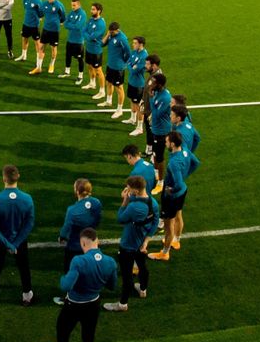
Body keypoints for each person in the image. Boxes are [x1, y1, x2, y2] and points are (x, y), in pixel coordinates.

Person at [54, 228, 117, 342]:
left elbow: (66, 286)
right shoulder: (110, 262)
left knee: (63, 333)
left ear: (83, 243)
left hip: (73, 305)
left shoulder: (78, 261)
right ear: (98, 242)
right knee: (88, 337)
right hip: (93, 305)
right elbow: (112, 286)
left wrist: (63, 278)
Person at [0, 164, 35, 307]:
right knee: (24, 267)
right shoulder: (28, 199)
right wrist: (16, 243)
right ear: (18, 176)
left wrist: (7, 243)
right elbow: (29, 224)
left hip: (0, 241)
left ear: (4, 179)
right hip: (20, 240)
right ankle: (27, 296)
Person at [105, 176, 157, 312]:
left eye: (129, 188)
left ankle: (122, 304)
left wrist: (125, 200)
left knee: (127, 276)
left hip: (128, 244)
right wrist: (146, 241)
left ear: (135, 190)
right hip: (141, 243)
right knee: (142, 266)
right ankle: (143, 289)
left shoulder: (134, 206)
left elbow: (120, 218)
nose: (127, 190)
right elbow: (156, 222)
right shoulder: (153, 202)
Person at [149, 133, 200, 261]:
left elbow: (178, 184)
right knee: (179, 215)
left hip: (172, 197)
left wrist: (171, 190)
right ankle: (177, 240)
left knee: (168, 225)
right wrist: (184, 176)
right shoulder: (185, 150)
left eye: (166, 141)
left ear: (172, 144)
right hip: (183, 192)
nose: (165, 143)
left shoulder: (174, 163)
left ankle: (165, 252)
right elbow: (196, 163)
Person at [57, 179, 102, 286]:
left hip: (75, 246)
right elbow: (98, 219)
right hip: (91, 243)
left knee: (70, 271)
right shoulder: (96, 202)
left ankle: (71, 297)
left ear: (77, 191)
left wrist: (62, 237)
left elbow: (66, 229)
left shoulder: (72, 210)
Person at [101, 22, 132, 119]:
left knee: (119, 88)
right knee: (109, 83)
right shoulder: (110, 35)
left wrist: (123, 63)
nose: (111, 33)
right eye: (110, 31)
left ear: (117, 30)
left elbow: (128, 52)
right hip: (110, 65)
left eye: (112, 32)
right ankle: (108, 101)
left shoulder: (122, 39)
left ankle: (119, 110)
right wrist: (107, 34)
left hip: (118, 68)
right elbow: (102, 44)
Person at [33, 0, 67, 76]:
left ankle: (51, 64)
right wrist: (37, 10)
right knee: (41, 47)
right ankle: (39, 67)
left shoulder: (59, 5)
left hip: (55, 30)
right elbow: (41, 14)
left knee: (53, 48)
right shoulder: (44, 4)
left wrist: (60, 22)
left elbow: (63, 16)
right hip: (45, 29)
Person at [145, 73, 173, 174]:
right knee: (155, 154)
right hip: (156, 129)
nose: (151, 84)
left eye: (153, 82)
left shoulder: (165, 98)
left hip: (162, 132)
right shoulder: (157, 92)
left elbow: (157, 114)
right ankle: (156, 173)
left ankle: (160, 181)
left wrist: (151, 98)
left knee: (159, 157)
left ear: (160, 84)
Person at [83, 3, 108, 98]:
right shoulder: (90, 20)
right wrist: (88, 36)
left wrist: (88, 36)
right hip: (89, 48)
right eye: (91, 9)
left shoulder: (101, 23)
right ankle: (92, 83)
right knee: (89, 66)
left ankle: (102, 91)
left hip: (96, 51)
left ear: (99, 11)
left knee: (98, 70)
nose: (91, 11)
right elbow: (84, 31)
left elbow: (92, 36)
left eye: (93, 9)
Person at [125, 39, 150, 135]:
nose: (133, 44)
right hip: (132, 82)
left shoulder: (144, 56)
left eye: (135, 43)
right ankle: (132, 118)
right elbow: (128, 62)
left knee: (139, 106)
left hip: (138, 85)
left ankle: (139, 127)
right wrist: (131, 65)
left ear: (141, 44)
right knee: (132, 101)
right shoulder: (134, 52)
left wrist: (130, 66)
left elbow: (134, 70)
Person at [60, 0, 87, 84]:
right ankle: (67, 72)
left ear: (79, 5)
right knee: (68, 56)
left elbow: (78, 26)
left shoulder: (82, 14)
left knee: (80, 59)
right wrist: (72, 25)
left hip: (79, 41)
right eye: (72, 5)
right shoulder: (71, 13)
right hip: (70, 39)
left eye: (74, 5)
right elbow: (65, 24)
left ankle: (80, 76)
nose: (72, 7)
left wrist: (71, 25)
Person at [18, 0, 45, 65]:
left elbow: (41, 13)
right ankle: (23, 55)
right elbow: (26, 9)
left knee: (37, 43)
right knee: (24, 39)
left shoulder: (38, 1)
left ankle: (38, 61)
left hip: (34, 25)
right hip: (26, 23)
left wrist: (39, 17)